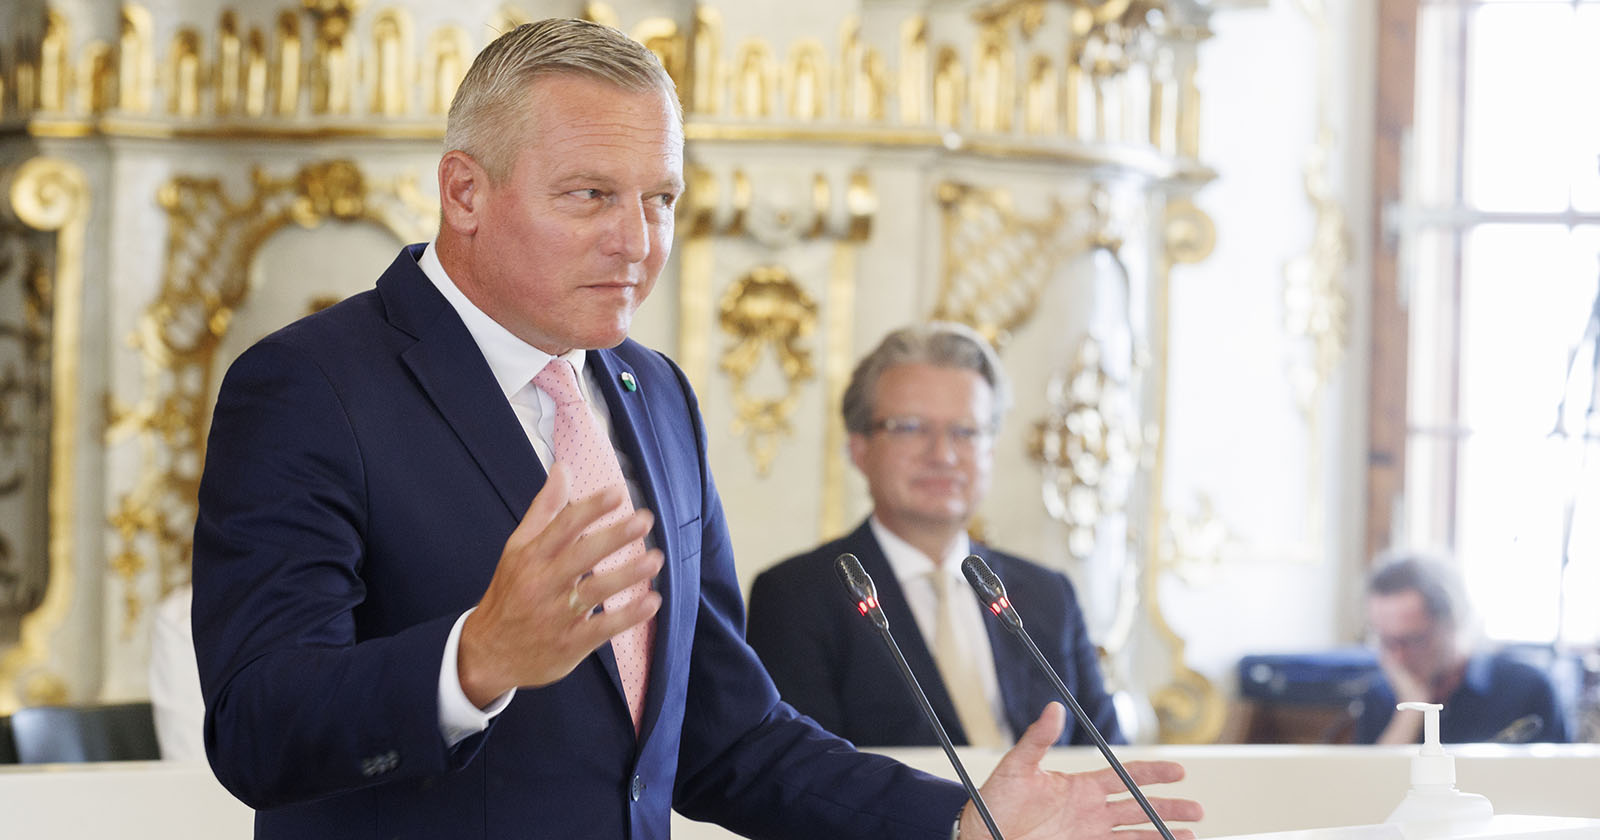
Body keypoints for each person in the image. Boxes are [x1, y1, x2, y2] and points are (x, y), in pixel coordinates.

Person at [191, 18, 1203, 840]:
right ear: (465, 190)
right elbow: (257, 732)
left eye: (660, 199)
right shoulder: (309, 386)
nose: (636, 242)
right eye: (590, 195)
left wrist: (963, 824)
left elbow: (728, 737)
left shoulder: (653, 393)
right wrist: (474, 659)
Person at [746, 323, 1123, 750]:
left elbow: (1114, 761)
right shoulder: (797, 597)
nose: (942, 455)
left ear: (990, 450)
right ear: (859, 448)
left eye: (965, 431)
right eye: (910, 428)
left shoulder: (1047, 595)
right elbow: (805, 776)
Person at [1354, 555, 1570, 745]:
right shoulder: (1379, 696)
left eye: (1413, 640)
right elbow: (1372, 786)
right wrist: (1410, 712)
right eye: (1386, 641)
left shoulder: (1527, 690)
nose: (1398, 657)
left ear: (1453, 622)